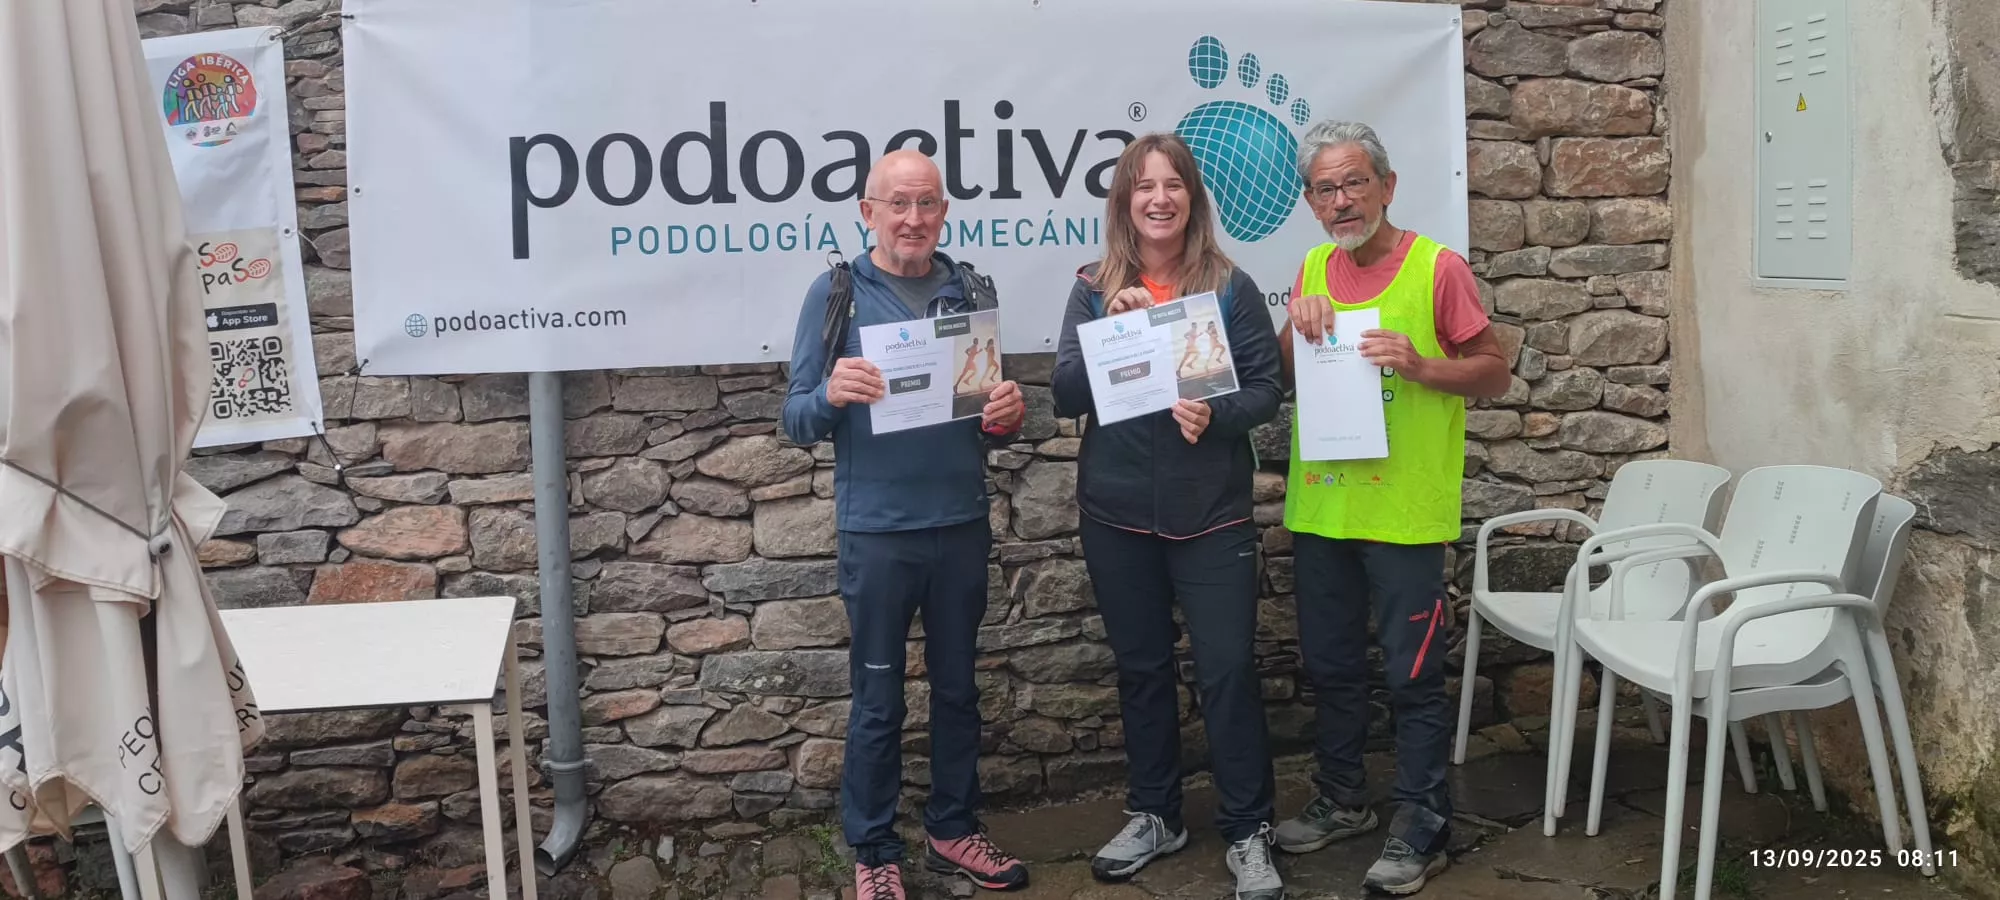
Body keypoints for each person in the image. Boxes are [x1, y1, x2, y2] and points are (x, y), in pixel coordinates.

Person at [781, 149, 1032, 900]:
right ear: (869, 213)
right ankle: (874, 850)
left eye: (926, 204)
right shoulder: (837, 294)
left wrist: (1006, 416)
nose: (913, 219)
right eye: (898, 204)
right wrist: (831, 394)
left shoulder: (971, 289)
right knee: (879, 700)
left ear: (944, 212)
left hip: (960, 524)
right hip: (878, 534)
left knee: (958, 691)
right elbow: (796, 419)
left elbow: (989, 419)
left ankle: (952, 828)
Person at [1270, 121, 1512, 895]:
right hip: (1325, 510)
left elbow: (1495, 372)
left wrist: (1422, 365)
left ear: (1387, 186)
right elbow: (1281, 373)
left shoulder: (1438, 269)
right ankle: (1343, 798)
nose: (1342, 201)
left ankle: (1423, 818)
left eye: (1354, 183)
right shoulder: (1313, 267)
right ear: (1311, 203)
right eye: (1326, 189)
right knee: (1332, 667)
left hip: (1405, 515)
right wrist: (1297, 323)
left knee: (1412, 674)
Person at [1050, 133, 1287, 899]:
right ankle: (1156, 814)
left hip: (1211, 513)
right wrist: (1108, 333)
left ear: (1192, 198)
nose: (1159, 199)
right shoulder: (1093, 287)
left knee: (1227, 671)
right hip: (1116, 512)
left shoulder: (1230, 287)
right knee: (1142, 669)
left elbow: (1265, 390)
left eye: (1173, 185)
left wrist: (1216, 417)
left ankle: (1248, 828)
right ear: (1125, 202)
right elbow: (1064, 394)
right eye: (1144, 186)